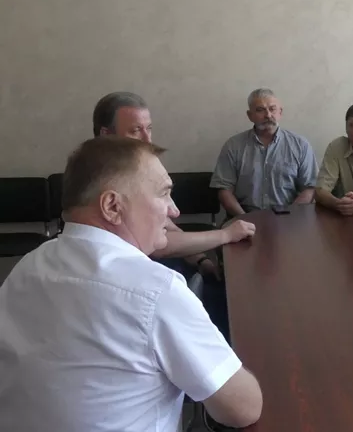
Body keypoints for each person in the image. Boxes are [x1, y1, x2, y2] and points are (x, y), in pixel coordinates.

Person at [0, 137, 262, 431]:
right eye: (164, 194)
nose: (174, 211)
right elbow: (243, 409)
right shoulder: (155, 292)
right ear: (113, 206)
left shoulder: (27, 266)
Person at [93, 91, 253, 341]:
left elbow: (169, 225)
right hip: (132, 290)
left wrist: (201, 260)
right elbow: (160, 246)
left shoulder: (141, 168)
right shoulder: (104, 181)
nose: (147, 139)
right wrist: (225, 235)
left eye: (149, 129)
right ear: (106, 135)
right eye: (135, 131)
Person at [211, 88, 317, 217]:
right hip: (242, 218)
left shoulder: (300, 145)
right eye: (260, 110)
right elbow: (224, 190)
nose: (268, 115)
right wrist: (246, 219)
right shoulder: (233, 146)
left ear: (280, 112)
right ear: (250, 115)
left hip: (288, 218)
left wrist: (289, 218)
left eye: (272, 109)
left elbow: (309, 188)